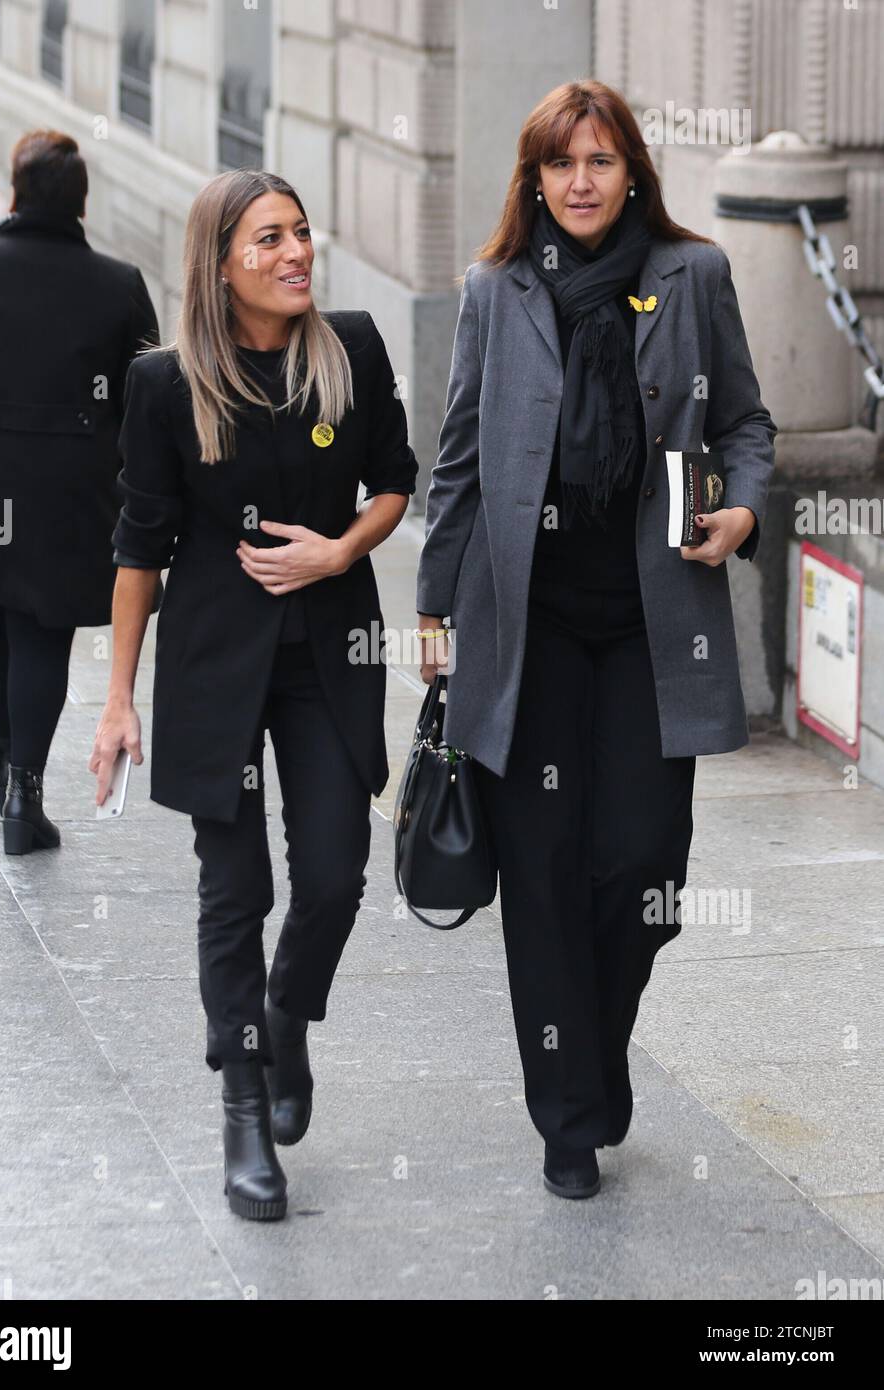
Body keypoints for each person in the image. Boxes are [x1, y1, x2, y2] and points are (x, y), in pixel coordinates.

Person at [416, 80, 776, 1200]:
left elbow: (745, 424)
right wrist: (432, 612)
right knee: (541, 874)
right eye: (561, 164)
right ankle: (567, 1117)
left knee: (639, 866)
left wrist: (742, 508)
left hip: (650, 627)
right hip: (524, 628)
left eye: (601, 161)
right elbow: (462, 456)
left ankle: (598, 1048)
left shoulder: (692, 276)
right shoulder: (496, 289)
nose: (580, 182)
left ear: (632, 175)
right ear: (534, 179)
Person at [90, 169, 418, 1223]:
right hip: (213, 663)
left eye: (302, 233)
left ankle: (284, 1016)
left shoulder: (352, 347)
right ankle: (242, 1104)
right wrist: (116, 699)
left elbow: (397, 480)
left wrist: (341, 552)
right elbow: (140, 549)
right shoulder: (162, 383)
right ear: (221, 263)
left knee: (333, 868)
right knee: (235, 892)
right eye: (270, 239)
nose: (296, 253)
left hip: (330, 649)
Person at [0, 129, 159, 854]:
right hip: (70, 496)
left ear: (13, 193)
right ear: (81, 203)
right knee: (40, 630)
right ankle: (23, 786)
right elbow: (144, 402)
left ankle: (2, 751)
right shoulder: (119, 283)